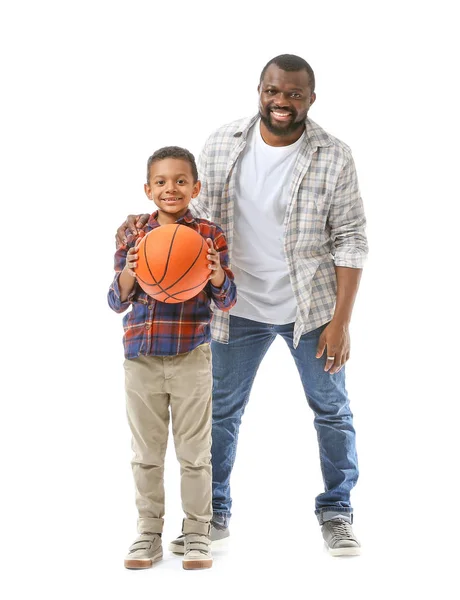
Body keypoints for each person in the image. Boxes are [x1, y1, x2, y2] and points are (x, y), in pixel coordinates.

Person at [116, 54, 368, 557]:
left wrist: (341, 322)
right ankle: (213, 513)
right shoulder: (222, 144)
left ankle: (336, 511)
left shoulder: (334, 155)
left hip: (310, 309)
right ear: (260, 90)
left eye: (294, 94)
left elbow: (351, 239)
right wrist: (141, 238)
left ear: (310, 99)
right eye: (273, 91)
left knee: (332, 411)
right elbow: (192, 221)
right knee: (221, 413)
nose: (282, 101)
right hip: (236, 307)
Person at [108, 146, 237, 570]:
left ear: (195, 187)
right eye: (161, 182)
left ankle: (197, 534)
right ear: (148, 189)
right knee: (146, 452)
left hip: (191, 357)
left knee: (195, 453)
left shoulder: (209, 235)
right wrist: (131, 268)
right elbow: (115, 300)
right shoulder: (133, 234)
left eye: (180, 181)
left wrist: (215, 272)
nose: (171, 189)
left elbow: (228, 299)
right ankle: (148, 533)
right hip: (141, 357)